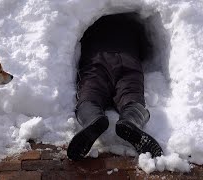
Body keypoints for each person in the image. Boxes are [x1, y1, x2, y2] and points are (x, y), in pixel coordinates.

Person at [67, 13, 163, 160]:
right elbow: (145, 51)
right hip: (128, 62)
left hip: (96, 62)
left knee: (90, 98)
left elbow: (78, 41)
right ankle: (131, 122)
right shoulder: (133, 27)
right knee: (132, 99)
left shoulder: (92, 25)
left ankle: (92, 120)